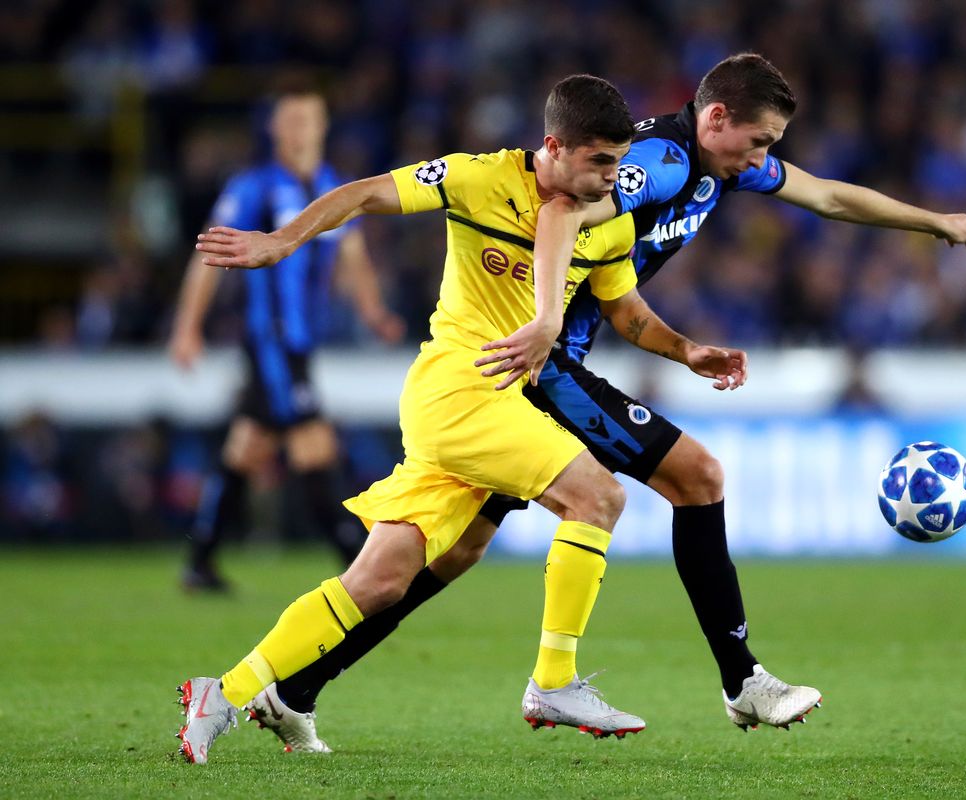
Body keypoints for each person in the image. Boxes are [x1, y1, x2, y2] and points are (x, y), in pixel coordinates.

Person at [250, 53, 966, 754]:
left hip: (549, 361)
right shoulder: (658, 161)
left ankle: (298, 685)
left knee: (453, 551)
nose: (763, 157)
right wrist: (544, 325)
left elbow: (827, 195)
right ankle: (741, 681)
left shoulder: (721, 169)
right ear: (717, 117)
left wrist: (934, 221)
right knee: (696, 477)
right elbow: (562, 212)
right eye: (757, 141)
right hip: (544, 367)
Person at [175, 74, 751, 764]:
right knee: (597, 496)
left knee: (380, 579)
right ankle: (554, 681)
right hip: (457, 388)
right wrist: (282, 240)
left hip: (495, 404)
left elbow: (626, 310)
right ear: (553, 147)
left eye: (618, 162)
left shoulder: (608, 218)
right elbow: (363, 194)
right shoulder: (478, 178)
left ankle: (225, 691)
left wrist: (689, 351)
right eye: (598, 162)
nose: (613, 178)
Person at [169, 87, 404, 591]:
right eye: (290, 121)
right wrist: (187, 328)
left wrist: (373, 311)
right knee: (312, 441)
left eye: (308, 120)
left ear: (323, 127)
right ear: (275, 129)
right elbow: (207, 257)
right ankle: (356, 562)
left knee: (248, 447)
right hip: (270, 339)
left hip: (301, 342)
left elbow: (353, 256)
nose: (299, 130)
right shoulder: (253, 187)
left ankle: (200, 558)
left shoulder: (329, 186)